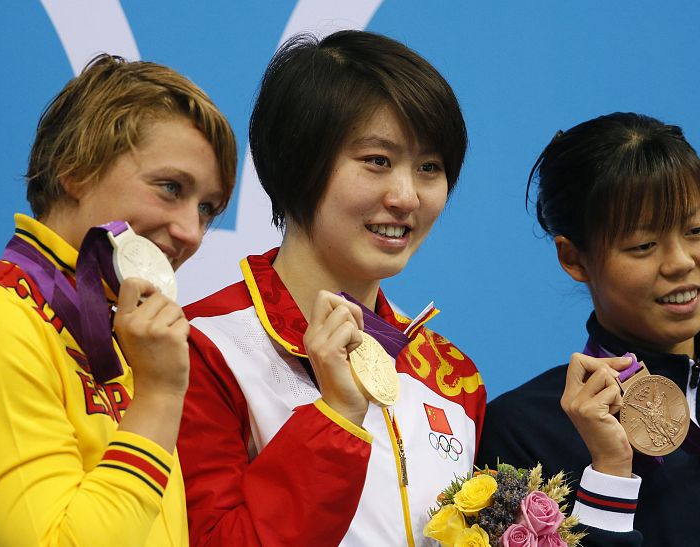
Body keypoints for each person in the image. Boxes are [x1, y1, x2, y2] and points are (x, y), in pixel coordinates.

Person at [176, 30, 487, 546]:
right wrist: (336, 418)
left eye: (429, 168)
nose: (407, 197)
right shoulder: (202, 349)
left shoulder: (453, 379)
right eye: (377, 161)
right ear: (299, 165)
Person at [0, 54, 237, 546]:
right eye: (170, 188)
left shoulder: (123, 335)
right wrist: (158, 396)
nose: (191, 232)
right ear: (76, 168)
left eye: (207, 209)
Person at [477, 112, 700, 546]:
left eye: (697, 229)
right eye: (643, 245)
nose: (681, 262)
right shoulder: (521, 431)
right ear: (574, 258)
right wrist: (609, 470)